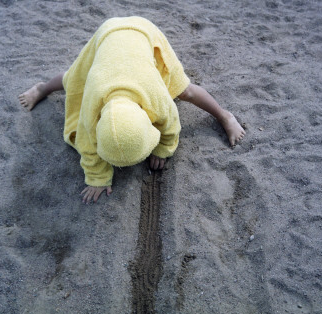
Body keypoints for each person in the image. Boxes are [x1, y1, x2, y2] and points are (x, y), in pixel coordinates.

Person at [19, 17, 245, 204]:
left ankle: (225, 115)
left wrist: (162, 150)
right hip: (107, 36)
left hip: (143, 33)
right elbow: (88, 143)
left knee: (185, 91)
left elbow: (171, 123)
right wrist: (97, 178)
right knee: (73, 81)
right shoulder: (92, 101)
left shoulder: (155, 95)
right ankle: (42, 88)